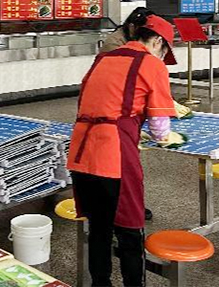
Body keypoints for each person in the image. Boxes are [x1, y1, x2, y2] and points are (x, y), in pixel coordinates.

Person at [67, 15, 178, 287]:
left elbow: (96, 104)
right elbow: (160, 128)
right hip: (113, 154)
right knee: (129, 228)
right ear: (158, 41)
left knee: (99, 228)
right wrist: (164, 136)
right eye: (164, 51)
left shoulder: (102, 59)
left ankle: (100, 283)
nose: (162, 58)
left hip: (81, 152)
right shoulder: (151, 64)